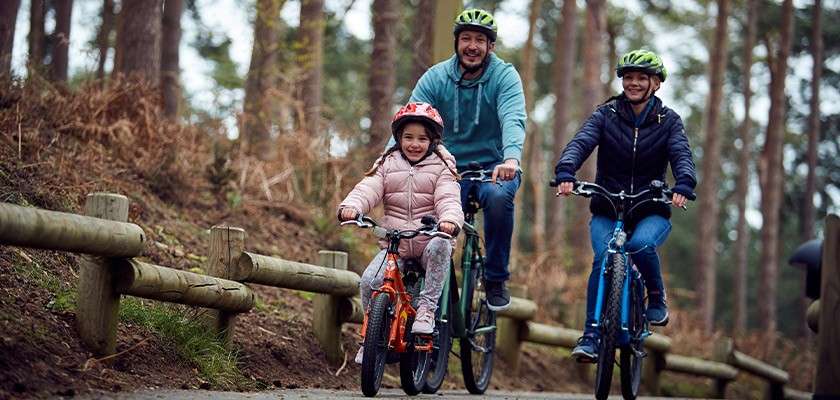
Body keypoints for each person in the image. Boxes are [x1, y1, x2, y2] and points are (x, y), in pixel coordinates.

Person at [553, 49, 697, 361]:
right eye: (628, 77)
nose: (632, 83)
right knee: (603, 258)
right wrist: (566, 171)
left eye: (640, 78)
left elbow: (681, 155)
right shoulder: (606, 114)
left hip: (650, 208)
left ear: (655, 83)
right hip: (607, 205)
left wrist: (684, 183)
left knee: (641, 245)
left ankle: (656, 298)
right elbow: (581, 142)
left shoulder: (669, 120)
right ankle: (590, 336)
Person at [402, 8, 527, 311]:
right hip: (447, 167)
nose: (472, 46)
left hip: (494, 169)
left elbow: (513, 117)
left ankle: (495, 277)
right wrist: (385, 160)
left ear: (490, 46)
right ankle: (416, 271)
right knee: (425, 211)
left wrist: (511, 158)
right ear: (457, 42)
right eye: (466, 38)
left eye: (480, 40)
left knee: (499, 199)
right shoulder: (436, 77)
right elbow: (409, 119)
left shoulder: (504, 76)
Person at [338, 102, 465, 364]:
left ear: (432, 140)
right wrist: (352, 206)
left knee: (443, 245)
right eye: (408, 137)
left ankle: (427, 310)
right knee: (368, 281)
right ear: (398, 138)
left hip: (428, 239)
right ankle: (371, 336)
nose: (414, 144)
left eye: (422, 138)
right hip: (395, 243)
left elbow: (449, 198)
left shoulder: (443, 165)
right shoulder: (387, 162)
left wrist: (449, 221)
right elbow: (369, 187)